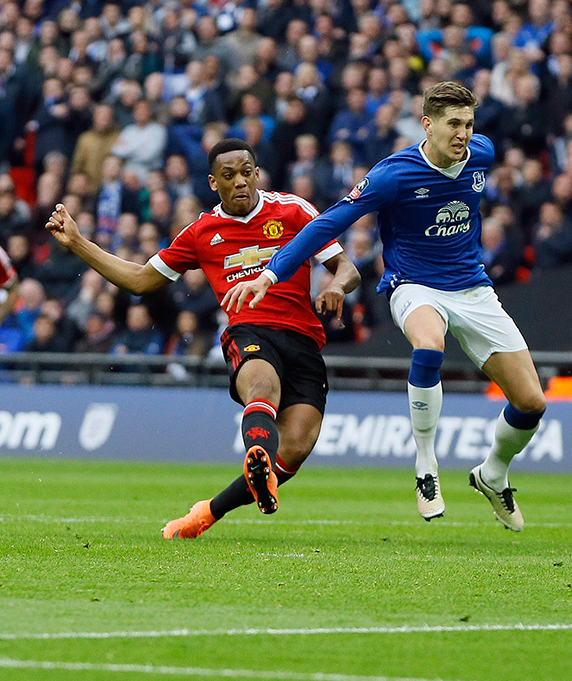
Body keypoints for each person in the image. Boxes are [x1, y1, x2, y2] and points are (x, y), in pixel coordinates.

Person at [223, 82, 547, 532]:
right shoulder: (393, 175)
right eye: (454, 124)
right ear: (427, 125)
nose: (463, 134)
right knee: (429, 344)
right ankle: (426, 465)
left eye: (469, 124)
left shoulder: (483, 154)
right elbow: (328, 223)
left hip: (472, 287)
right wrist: (271, 274)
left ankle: (492, 473)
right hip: (413, 285)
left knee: (531, 402)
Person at [44, 138, 361, 539]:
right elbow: (140, 280)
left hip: (303, 339)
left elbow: (347, 268)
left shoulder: (294, 211)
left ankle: (208, 511)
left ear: (257, 174)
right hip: (249, 330)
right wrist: (78, 243)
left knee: (296, 447)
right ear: (214, 182)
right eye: (229, 175)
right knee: (262, 386)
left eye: (246, 173)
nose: (240, 182)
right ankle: (256, 454)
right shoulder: (201, 232)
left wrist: (336, 286)